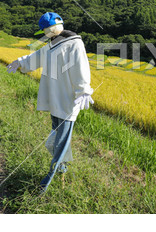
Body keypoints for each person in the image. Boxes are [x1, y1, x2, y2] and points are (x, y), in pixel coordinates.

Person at [6, 12, 94, 193]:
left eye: (43, 32)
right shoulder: (52, 45)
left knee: (60, 141)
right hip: (55, 101)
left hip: (68, 101)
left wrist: (83, 89)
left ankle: (48, 181)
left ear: (48, 29)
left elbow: (81, 66)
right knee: (58, 139)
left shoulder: (74, 43)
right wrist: (19, 63)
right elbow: (34, 58)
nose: (44, 35)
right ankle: (62, 169)